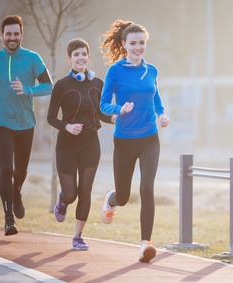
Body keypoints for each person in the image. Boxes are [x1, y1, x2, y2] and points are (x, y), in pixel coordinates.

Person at [0, 15, 53, 236]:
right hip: (0, 121)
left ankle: (16, 193)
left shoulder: (33, 59)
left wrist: (28, 90)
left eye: (16, 34)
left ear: (22, 35)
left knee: (20, 170)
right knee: (6, 168)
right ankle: (9, 219)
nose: (12, 38)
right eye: (9, 34)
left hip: (26, 122)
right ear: (2, 36)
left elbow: (48, 86)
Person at [99, 19, 170, 262]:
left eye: (142, 43)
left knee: (147, 187)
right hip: (124, 139)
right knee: (125, 196)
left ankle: (145, 244)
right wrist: (120, 109)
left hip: (150, 137)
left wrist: (161, 113)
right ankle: (111, 199)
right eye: (133, 43)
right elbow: (103, 103)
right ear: (124, 45)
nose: (138, 47)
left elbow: (155, 95)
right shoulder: (115, 71)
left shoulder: (151, 70)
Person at [47, 38, 115, 250]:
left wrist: (114, 117)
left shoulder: (97, 84)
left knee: (85, 190)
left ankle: (77, 237)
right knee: (71, 194)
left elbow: (101, 112)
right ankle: (62, 200)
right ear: (69, 59)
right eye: (76, 54)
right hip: (66, 145)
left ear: (88, 57)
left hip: (90, 144)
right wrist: (67, 127)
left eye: (83, 54)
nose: (80, 58)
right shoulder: (61, 85)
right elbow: (51, 117)